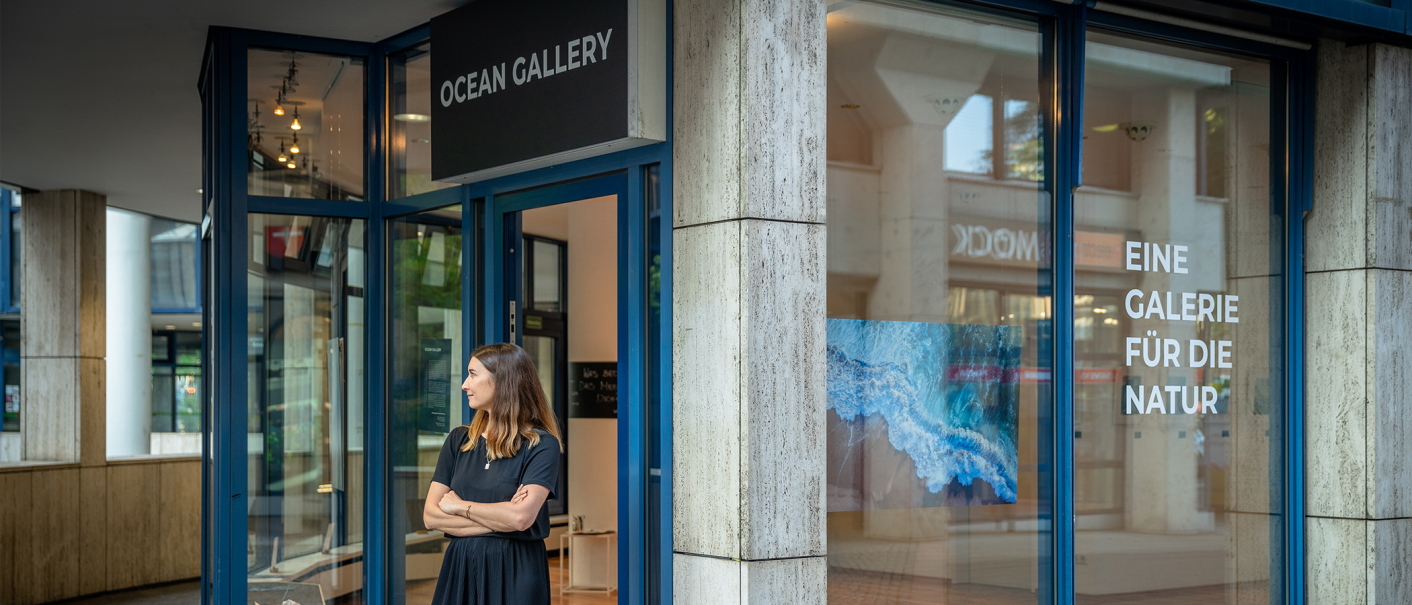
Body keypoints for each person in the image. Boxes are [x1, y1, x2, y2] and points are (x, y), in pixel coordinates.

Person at [423, 343, 563, 605]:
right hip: (460, 569)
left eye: (473, 374)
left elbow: (521, 518)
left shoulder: (542, 445)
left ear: (503, 380)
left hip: (516, 572)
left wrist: (459, 506)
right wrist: (502, 519)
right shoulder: (458, 440)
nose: (465, 384)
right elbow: (431, 516)